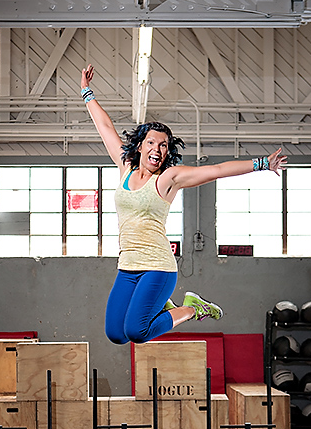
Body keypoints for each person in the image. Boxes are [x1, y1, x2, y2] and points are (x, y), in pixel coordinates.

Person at [80, 64, 287, 345]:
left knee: (137, 332)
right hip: (128, 266)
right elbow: (105, 127)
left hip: (158, 267)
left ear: (167, 152)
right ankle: (167, 304)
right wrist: (86, 91)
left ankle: (191, 308)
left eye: (164, 145)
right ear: (140, 146)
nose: (157, 149)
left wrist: (262, 164)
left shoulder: (169, 178)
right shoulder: (125, 166)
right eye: (151, 142)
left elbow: (217, 170)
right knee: (116, 334)